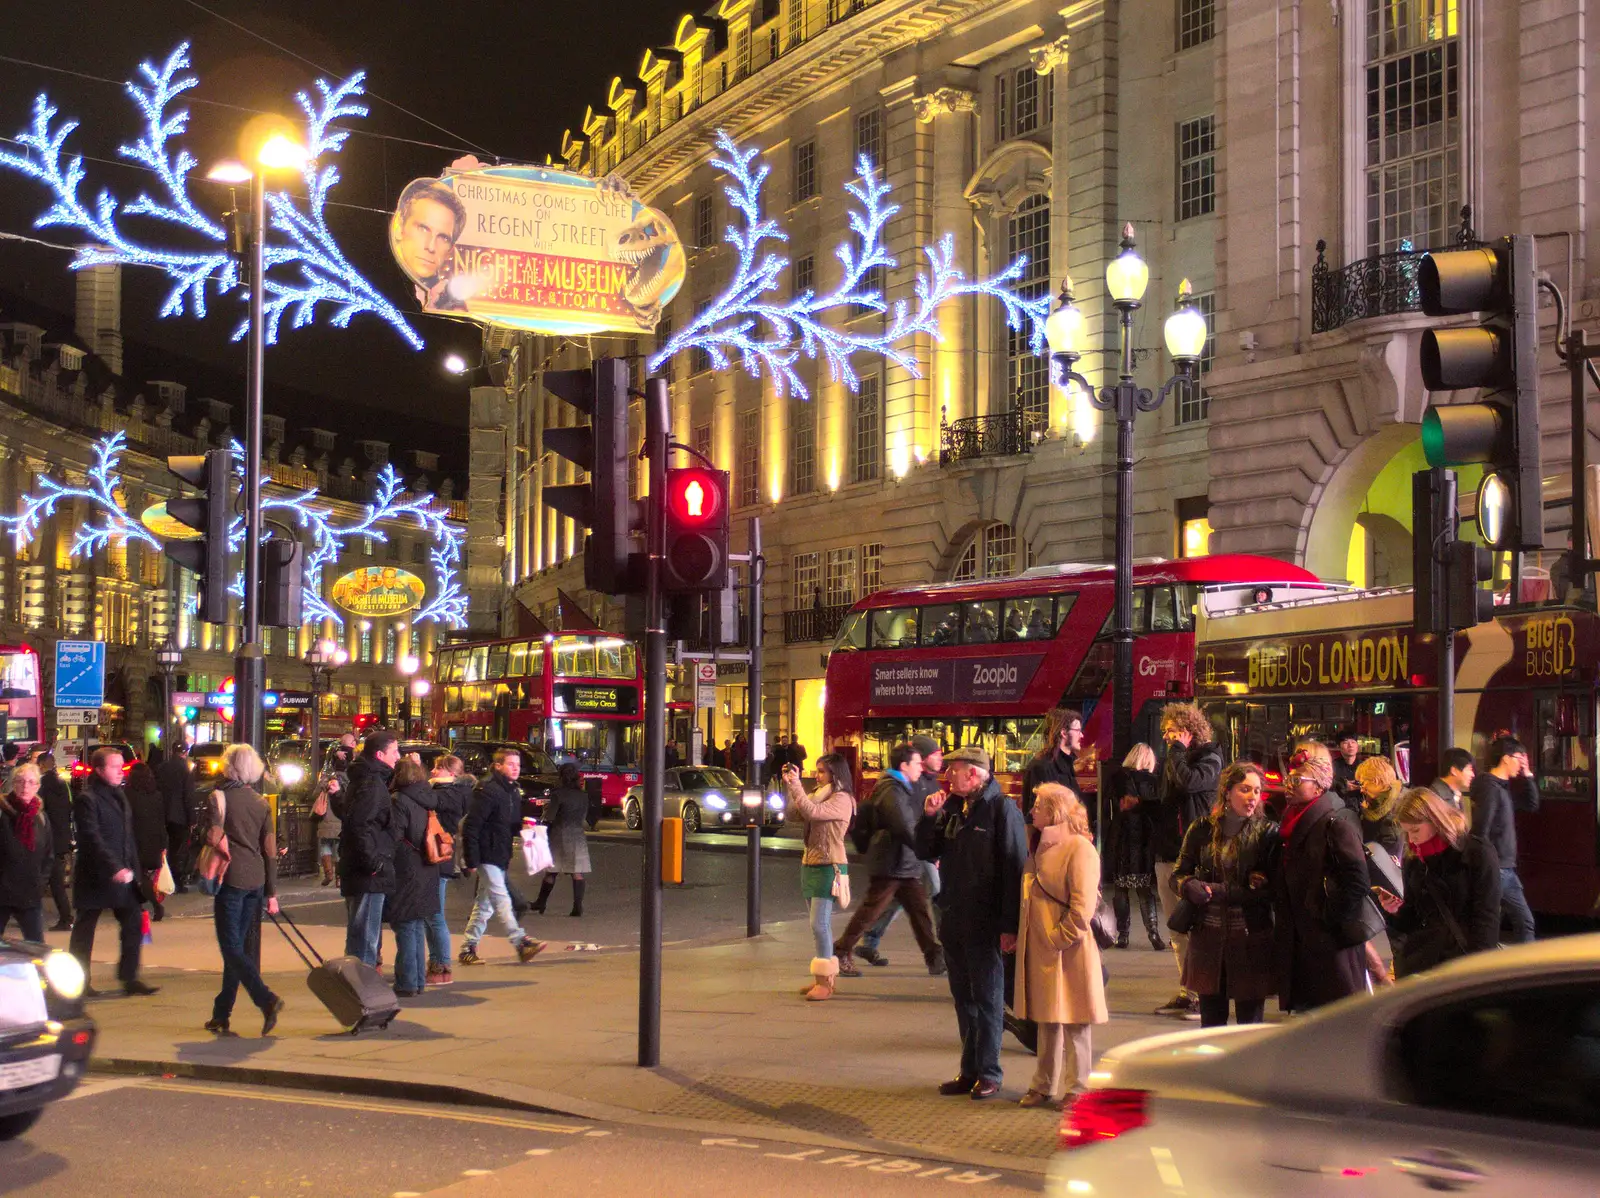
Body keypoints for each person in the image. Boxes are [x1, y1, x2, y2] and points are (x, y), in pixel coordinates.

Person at [916, 746, 1027, 1101]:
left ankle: (990, 1073)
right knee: (963, 999)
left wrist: (1009, 925)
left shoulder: (1000, 809)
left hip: (985, 921)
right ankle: (969, 1071)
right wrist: (929, 817)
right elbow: (925, 851)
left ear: (975, 774)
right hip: (954, 917)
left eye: (955, 770)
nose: (948, 776)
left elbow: (1014, 869)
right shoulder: (952, 807)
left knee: (988, 1000)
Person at [1014, 783, 1108, 1108]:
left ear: (1054, 810)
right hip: (1041, 948)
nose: (1032, 811)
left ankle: (1079, 1088)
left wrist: (1058, 938)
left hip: (1070, 949)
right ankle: (1042, 1085)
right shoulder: (1037, 845)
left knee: (1075, 1022)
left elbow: (1083, 908)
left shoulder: (1079, 849)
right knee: (1046, 1019)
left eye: (1038, 805)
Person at [1171, 761, 1278, 1027]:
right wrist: (1186, 885)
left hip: (1249, 937)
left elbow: (1271, 891)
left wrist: (1219, 890)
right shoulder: (1202, 828)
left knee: (1249, 1027)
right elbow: (1178, 873)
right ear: (1227, 792)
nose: (1252, 797)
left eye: (1256, 791)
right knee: (1211, 1025)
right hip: (1208, 937)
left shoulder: (1268, 833)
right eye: (1245, 789)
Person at [1270, 741, 1371, 1013]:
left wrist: (1327, 915)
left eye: (1296, 779)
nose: (1288, 784)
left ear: (1318, 786)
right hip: (1302, 941)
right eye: (1288, 778)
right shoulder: (1292, 820)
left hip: (1329, 944)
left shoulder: (1336, 822)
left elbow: (1357, 881)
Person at [832, 742, 943, 976]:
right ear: (904, 765)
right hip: (891, 864)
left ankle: (934, 957)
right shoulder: (891, 790)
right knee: (870, 912)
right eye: (916, 764)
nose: (920, 769)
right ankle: (841, 951)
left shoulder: (903, 788)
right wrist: (928, 851)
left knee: (919, 913)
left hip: (904, 864)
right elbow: (903, 825)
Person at [202, 744, 284, 1036]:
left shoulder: (218, 798)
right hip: (257, 879)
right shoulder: (261, 803)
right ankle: (221, 1014)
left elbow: (213, 836)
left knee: (231, 947)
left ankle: (266, 999)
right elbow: (270, 850)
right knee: (237, 948)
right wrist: (271, 892)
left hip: (231, 878)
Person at [1380, 787, 1502, 977]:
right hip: (1425, 963)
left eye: (1415, 830)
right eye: (1407, 832)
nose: (1412, 839)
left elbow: (1487, 916)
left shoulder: (1476, 853)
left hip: (1464, 961)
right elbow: (1413, 917)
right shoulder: (1414, 859)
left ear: (1436, 820)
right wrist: (1394, 912)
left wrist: (1480, 967)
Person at [1151, 702, 1223, 1019]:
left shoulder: (1209, 758)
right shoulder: (1174, 758)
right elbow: (1167, 801)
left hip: (1195, 854)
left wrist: (1178, 751)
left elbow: (1190, 783)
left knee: (1197, 928)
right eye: (1165, 731)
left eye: (1172, 731)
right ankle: (1187, 990)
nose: (1167, 737)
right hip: (1168, 852)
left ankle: (1201, 993)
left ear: (1188, 730)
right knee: (1176, 927)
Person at [69, 748, 157, 997]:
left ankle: (129, 977)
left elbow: (127, 838)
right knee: (84, 931)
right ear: (99, 770)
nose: (121, 770)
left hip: (124, 875)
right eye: (114, 766)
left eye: (122, 766)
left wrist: (134, 869)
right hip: (97, 876)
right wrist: (114, 867)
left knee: (133, 922)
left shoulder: (120, 795)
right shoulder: (88, 799)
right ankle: (79, 983)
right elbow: (91, 838)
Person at [457, 748, 546, 966]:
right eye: (510, 764)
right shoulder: (488, 790)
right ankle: (521, 942)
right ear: (498, 766)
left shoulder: (512, 791)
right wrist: (471, 860)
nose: (516, 768)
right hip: (487, 854)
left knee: (484, 904)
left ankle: (468, 947)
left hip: (500, 853)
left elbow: (508, 824)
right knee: (502, 899)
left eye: (517, 764)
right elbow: (472, 826)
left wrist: (522, 827)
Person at [783, 752, 854, 1000]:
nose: (818, 775)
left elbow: (812, 813)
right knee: (817, 926)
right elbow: (794, 814)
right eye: (817, 770)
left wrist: (796, 787)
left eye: (822, 771)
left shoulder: (842, 799)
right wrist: (792, 785)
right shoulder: (816, 794)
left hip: (829, 866)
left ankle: (824, 981)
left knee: (819, 924)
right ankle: (824, 978)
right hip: (811, 863)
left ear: (836, 773)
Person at [1468, 736, 1540, 944]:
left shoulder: (1502, 788)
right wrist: (1487, 865)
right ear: (1506, 759)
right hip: (1497, 868)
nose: (1521, 763)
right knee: (1517, 921)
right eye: (1519, 758)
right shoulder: (1490, 788)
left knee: (1513, 921)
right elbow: (1482, 828)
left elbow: (1531, 804)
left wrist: (1527, 775)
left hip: (1505, 868)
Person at [339, 732, 400, 968]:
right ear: (380, 754)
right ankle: (360, 988)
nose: (398, 757)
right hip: (368, 872)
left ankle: (354, 984)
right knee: (365, 936)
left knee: (359, 933)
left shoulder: (365, 779)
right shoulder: (373, 784)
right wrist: (374, 862)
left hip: (360, 867)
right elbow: (361, 825)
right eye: (394, 751)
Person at [387, 758, 441, 999]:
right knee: (417, 925)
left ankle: (407, 982)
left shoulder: (399, 800)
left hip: (407, 867)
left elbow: (396, 835)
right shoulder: (426, 797)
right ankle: (417, 980)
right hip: (427, 866)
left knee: (406, 926)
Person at [1102, 744, 1162, 949]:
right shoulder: (1153, 781)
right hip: (1143, 840)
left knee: (1120, 888)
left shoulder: (1117, 778)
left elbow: (1107, 806)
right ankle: (1153, 932)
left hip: (1120, 838)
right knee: (1145, 890)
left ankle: (1123, 934)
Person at [425, 755, 472, 985]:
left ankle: (441, 963)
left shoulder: (450, 794)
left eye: (438, 768)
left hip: (439, 856)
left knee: (434, 914)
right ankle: (438, 962)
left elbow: (428, 800)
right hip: (439, 857)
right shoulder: (449, 791)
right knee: (431, 913)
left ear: (452, 774)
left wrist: (415, 772)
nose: (433, 771)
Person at [393, 177, 468, 308]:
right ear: (399, 225)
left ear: (450, 249)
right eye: (423, 229)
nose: (431, 246)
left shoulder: (449, 305)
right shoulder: (365, 281)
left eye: (443, 238)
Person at [0, 764, 53, 942]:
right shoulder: (3, 811)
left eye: (31, 782)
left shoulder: (40, 817)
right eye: (21, 781)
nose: (25, 787)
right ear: (13, 784)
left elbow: (48, 855)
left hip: (29, 894)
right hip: (2, 892)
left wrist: (40, 883)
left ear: (37, 786)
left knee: (37, 948)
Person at [532, 763, 592, 917]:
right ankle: (577, 906)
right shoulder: (583, 796)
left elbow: (550, 817)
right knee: (577, 872)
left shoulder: (558, 794)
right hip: (577, 835)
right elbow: (584, 816)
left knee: (552, 871)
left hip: (559, 834)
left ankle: (541, 902)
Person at [123, 761, 168, 919]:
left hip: (136, 840)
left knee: (138, 874)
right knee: (142, 875)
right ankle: (148, 905)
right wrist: (163, 843)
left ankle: (148, 905)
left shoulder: (128, 794)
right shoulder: (156, 795)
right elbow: (162, 819)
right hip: (153, 840)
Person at [1022, 708, 1085, 817]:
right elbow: (1034, 815)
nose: (1082, 735)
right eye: (1078, 730)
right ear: (1064, 733)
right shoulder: (1041, 766)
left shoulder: (1067, 765)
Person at [38, 753, 72, 930]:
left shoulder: (41, 785)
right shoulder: (63, 784)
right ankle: (66, 917)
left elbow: (39, 811)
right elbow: (69, 809)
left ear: (42, 765)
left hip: (47, 839)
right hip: (61, 838)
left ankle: (65, 918)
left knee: (50, 880)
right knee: (55, 880)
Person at [156, 742, 195, 892]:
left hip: (164, 814)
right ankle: (176, 880)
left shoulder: (162, 767)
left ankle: (163, 877)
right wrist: (192, 818)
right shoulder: (187, 769)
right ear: (185, 752)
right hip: (180, 816)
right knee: (179, 849)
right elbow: (188, 796)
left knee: (166, 846)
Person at [1353, 756, 1404, 860]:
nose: (1361, 790)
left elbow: (1382, 864)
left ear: (1375, 781)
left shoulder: (1390, 818)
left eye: (1362, 784)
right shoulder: (1398, 798)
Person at [1330, 732, 1365, 809]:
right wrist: (1342, 785)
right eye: (1346, 742)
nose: (1350, 745)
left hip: (1362, 809)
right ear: (1339, 747)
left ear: (1357, 746)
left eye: (1353, 742)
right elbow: (1326, 784)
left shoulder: (1365, 766)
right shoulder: (1332, 766)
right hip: (1338, 808)